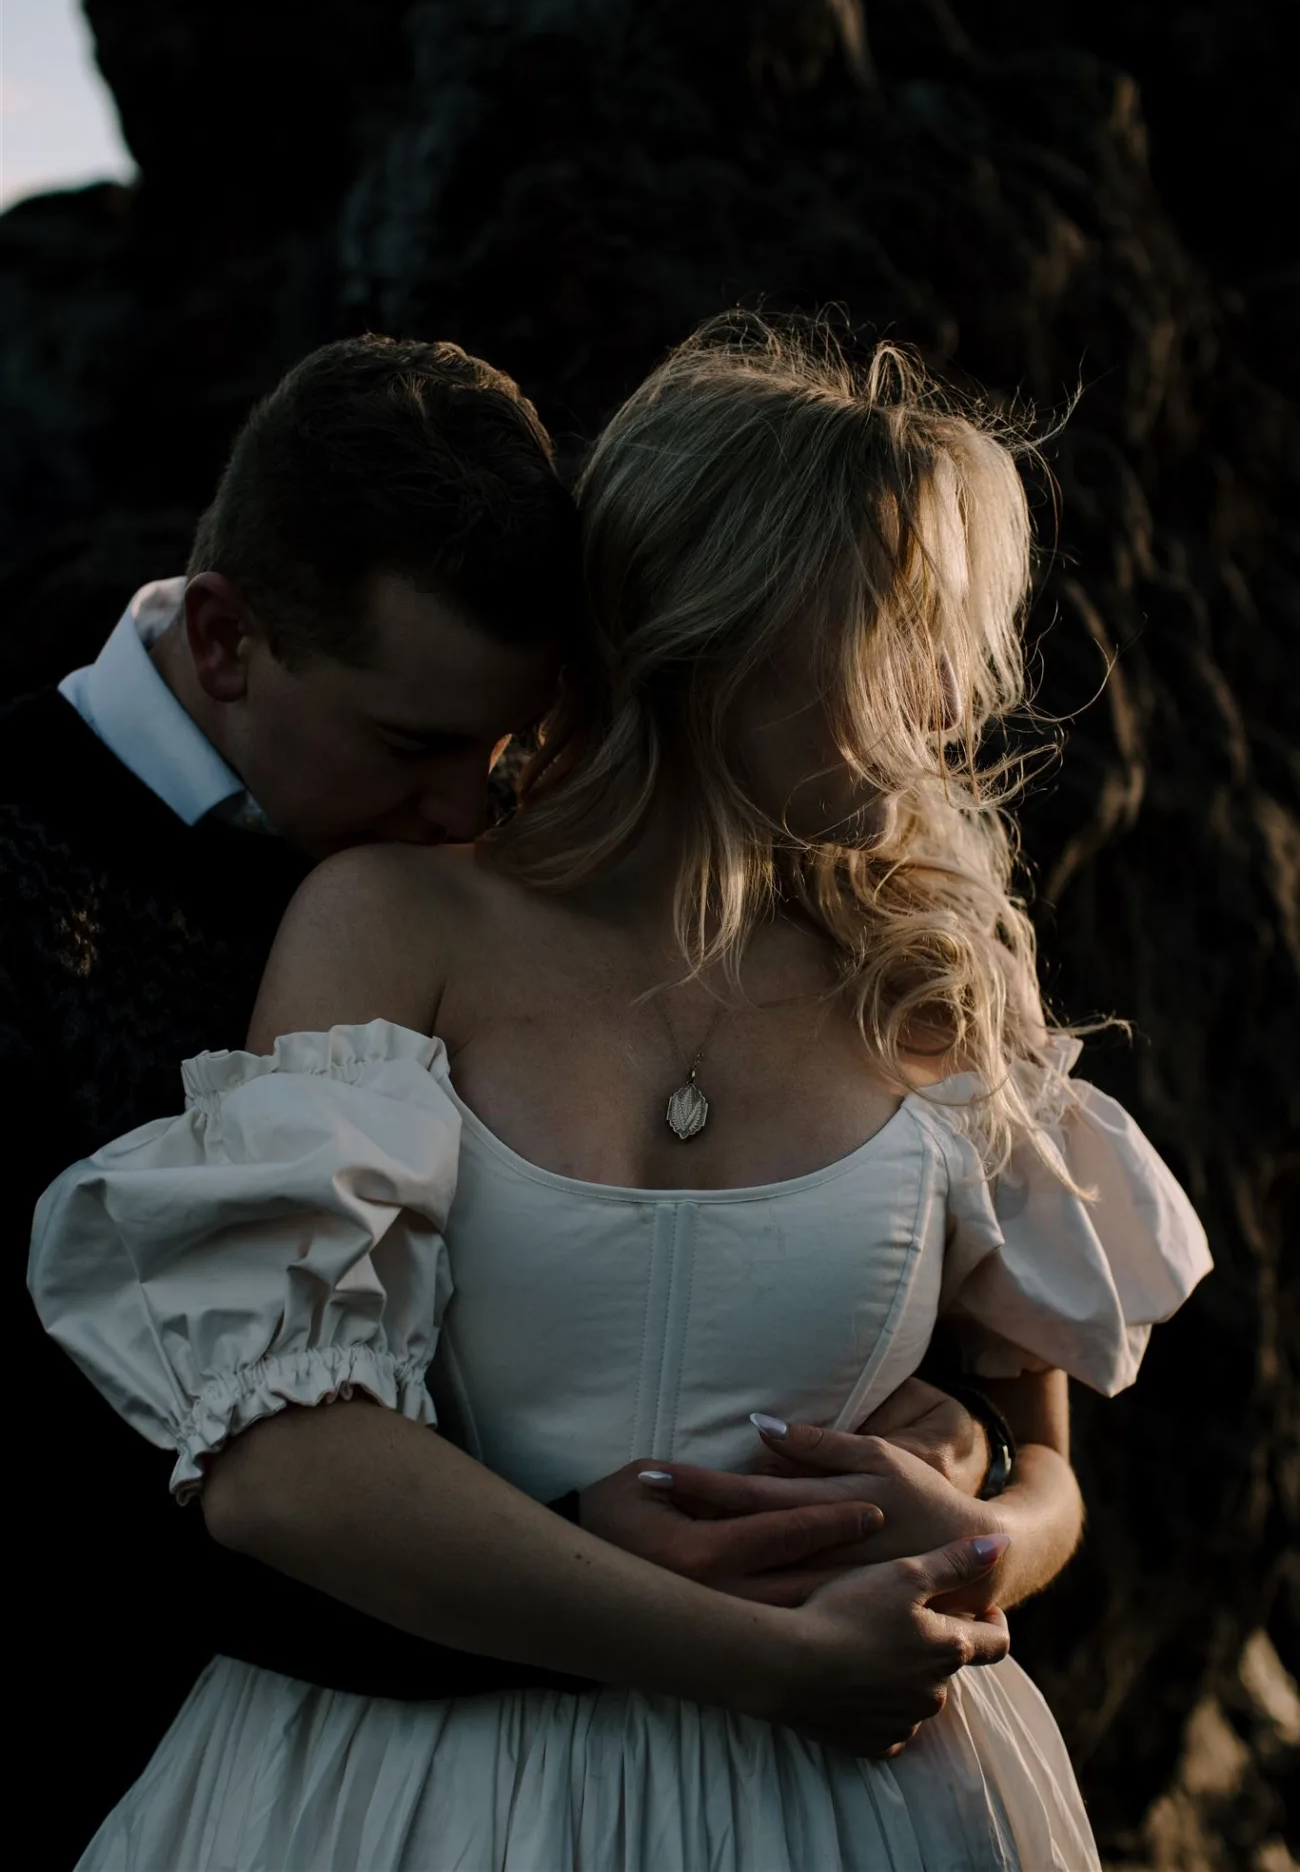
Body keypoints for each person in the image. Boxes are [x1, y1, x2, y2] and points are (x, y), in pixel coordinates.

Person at [31, 315, 1214, 1871]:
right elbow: (280, 1461)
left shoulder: (937, 969)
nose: (944, 700)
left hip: (875, 1803)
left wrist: (993, 1539)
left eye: (954, 637)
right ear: (717, 636)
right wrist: (774, 1663)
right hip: (414, 1789)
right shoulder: (388, 918)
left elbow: (1037, 1449)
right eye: (897, 632)